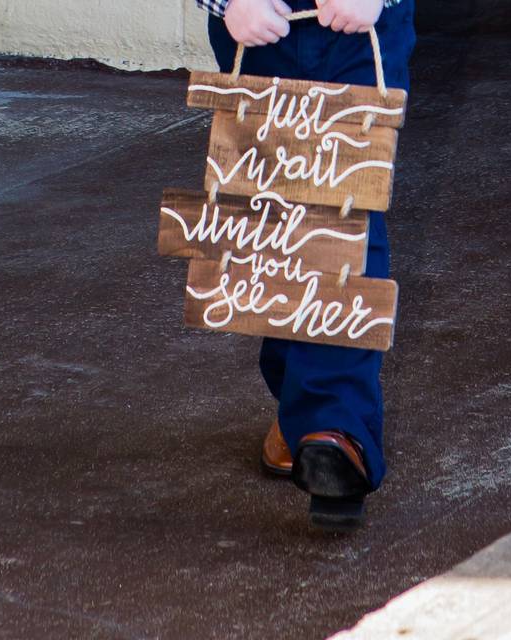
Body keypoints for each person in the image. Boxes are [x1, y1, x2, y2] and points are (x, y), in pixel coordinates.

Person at [195, 0, 416, 531]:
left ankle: (333, 426)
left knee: (345, 209)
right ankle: (298, 399)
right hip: (257, 20)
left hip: (360, 25)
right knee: (274, 213)